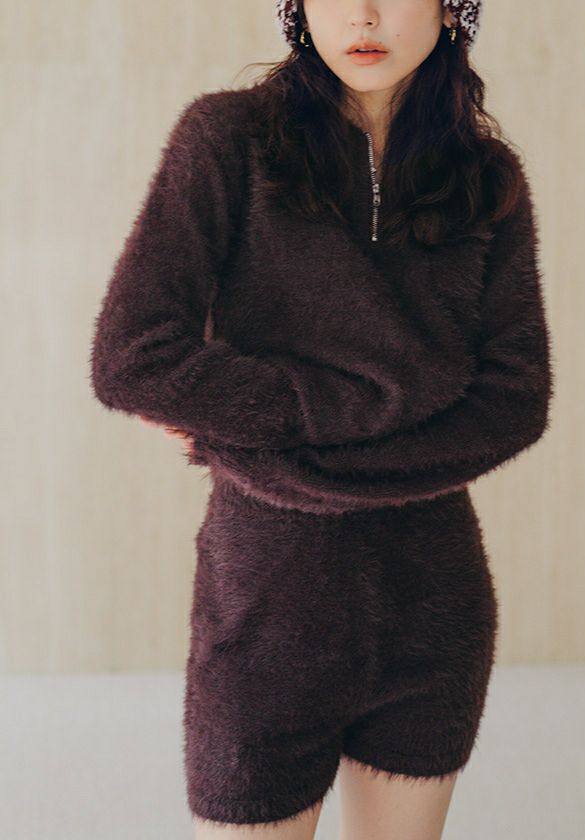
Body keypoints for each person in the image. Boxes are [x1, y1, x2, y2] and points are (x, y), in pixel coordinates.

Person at [89, 0, 553, 837]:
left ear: (453, 10)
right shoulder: (228, 139)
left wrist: (256, 441)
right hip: (266, 605)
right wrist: (376, 408)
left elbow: (514, 400)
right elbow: (134, 356)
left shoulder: (486, 175)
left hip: (432, 606)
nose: (363, 15)